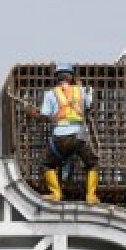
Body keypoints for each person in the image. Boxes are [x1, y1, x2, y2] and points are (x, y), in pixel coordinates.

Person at [26, 63, 100, 204]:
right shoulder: (81, 91)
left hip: (60, 138)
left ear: (57, 78)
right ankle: (90, 196)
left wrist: (32, 113)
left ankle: (56, 194)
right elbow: (89, 107)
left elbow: (44, 116)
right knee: (92, 164)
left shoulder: (50, 94)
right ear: (71, 77)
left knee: (47, 164)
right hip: (79, 138)